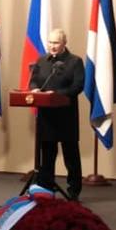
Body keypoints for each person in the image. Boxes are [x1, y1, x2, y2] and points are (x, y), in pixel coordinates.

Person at [29, 27, 85, 200]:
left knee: (71, 154)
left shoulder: (75, 61)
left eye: (56, 42)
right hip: (47, 117)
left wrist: (57, 95)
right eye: (50, 42)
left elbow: (78, 86)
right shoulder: (41, 61)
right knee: (47, 154)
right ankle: (46, 188)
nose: (52, 46)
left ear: (64, 43)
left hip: (66, 115)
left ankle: (74, 190)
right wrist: (35, 89)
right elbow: (32, 82)